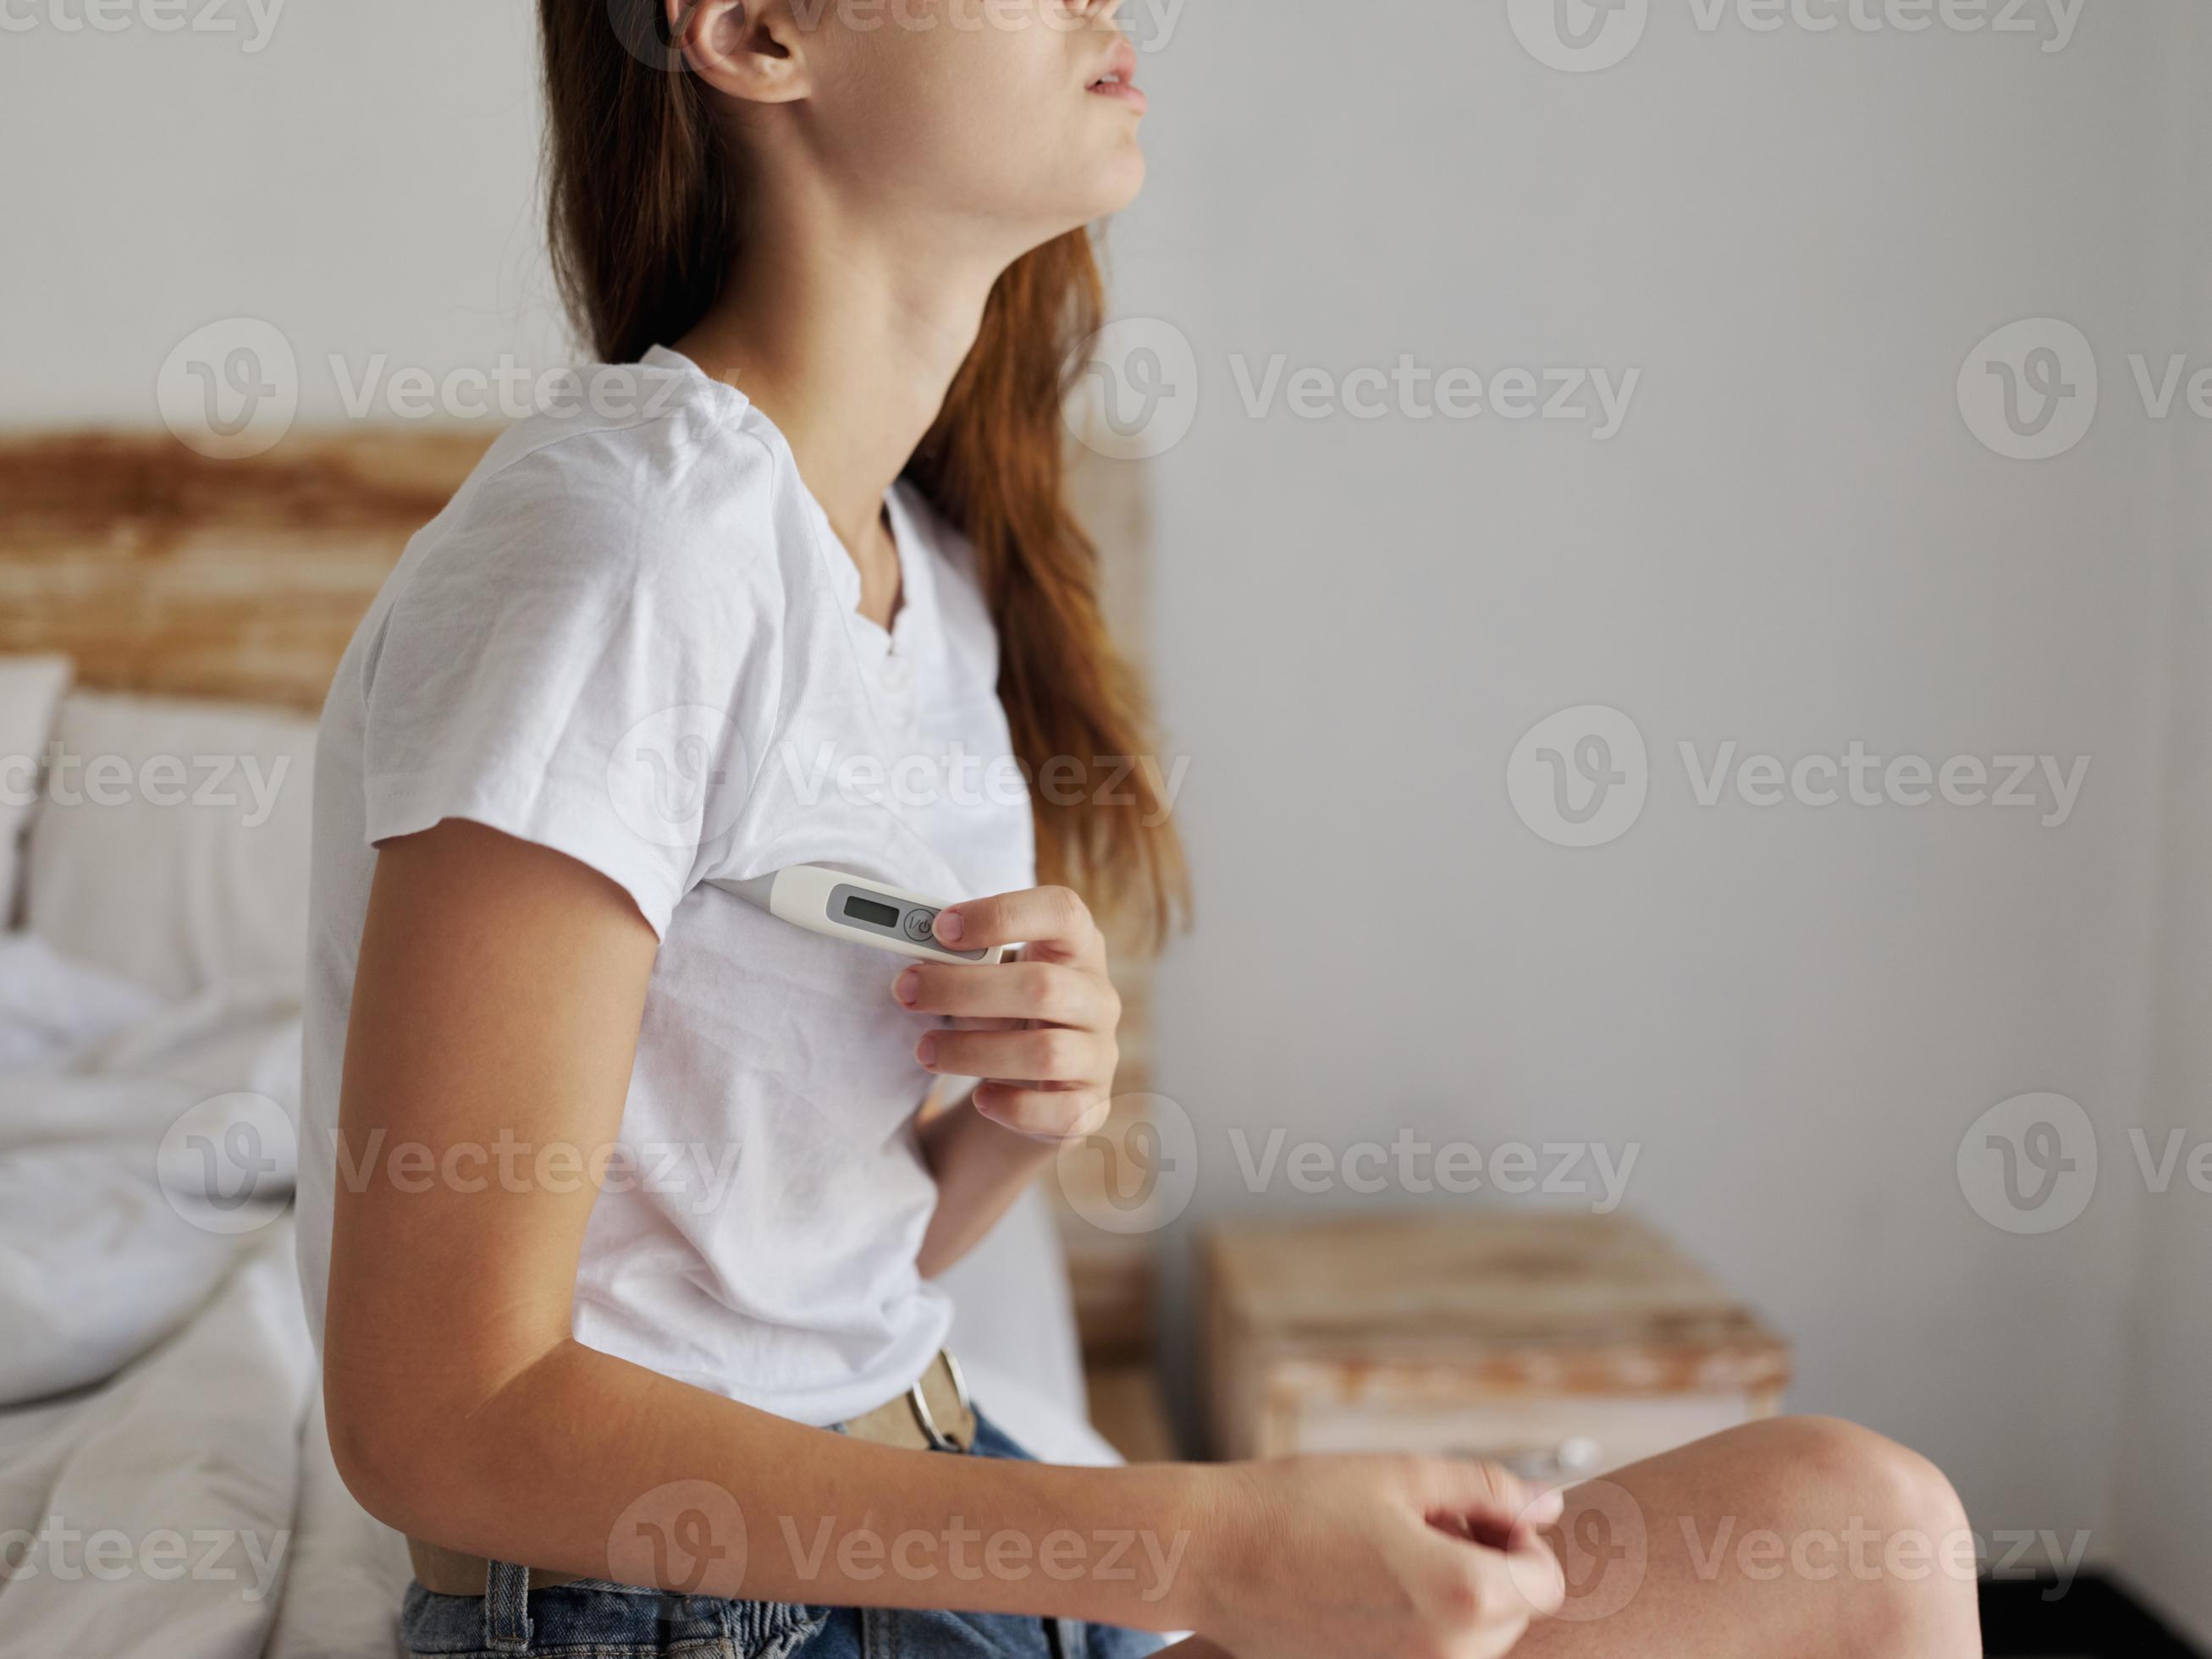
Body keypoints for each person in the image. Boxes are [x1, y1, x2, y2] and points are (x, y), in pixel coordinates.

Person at [297, 2, 1985, 1655]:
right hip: (676, 1607)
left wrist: (1009, 1128)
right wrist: (1210, 1535)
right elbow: (440, 1408)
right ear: (749, 35)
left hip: (940, 1508)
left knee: (1855, 1520)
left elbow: (772, 1278)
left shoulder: (925, 579)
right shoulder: (620, 550)